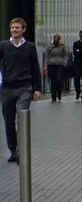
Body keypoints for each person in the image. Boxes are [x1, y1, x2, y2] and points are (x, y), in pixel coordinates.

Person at [0, 18, 42, 163]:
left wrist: (37, 88)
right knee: (8, 122)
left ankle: (20, 152)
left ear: (23, 29)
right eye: (12, 28)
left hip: (25, 88)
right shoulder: (3, 46)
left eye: (17, 28)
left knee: (21, 118)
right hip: (7, 89)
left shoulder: (30, 47)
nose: (14, 30)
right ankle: (13, 150)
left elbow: (36, 68)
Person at [45, 34, 67, 102]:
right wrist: (47, 64)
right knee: (53, 81)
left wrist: (64, 63)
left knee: (58, 79)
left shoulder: (62, 46)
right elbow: (47, 55)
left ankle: (59, 93)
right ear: (54, 39)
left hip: (60, 65)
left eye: (58, 38)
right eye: (56, 38)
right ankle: (53, 97)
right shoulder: (50, 46)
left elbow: (65, 55)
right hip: (52, 65)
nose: (57, 39)